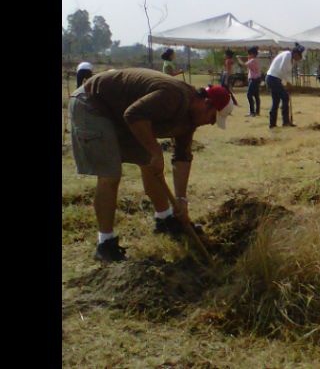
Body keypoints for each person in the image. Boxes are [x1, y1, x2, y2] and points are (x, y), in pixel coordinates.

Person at [68, 68, 234, 262]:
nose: (211, 123)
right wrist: (156, 151)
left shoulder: (190, 120)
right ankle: (105, 244)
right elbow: (133, 115)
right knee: (110, 175)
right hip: (92, 103)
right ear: (206, 104)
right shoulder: (173, 96)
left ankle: (164, 219)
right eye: (213, 118)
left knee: (149, 163)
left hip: (120, 112)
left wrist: (181, 199)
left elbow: (182, 157)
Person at [265, 43, 305, 128]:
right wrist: (287, 82)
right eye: (299, 56)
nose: (299, 59)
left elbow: (287, 73)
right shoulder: (287, 55)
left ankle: (272, 124)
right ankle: (285, 121)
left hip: (275, 79)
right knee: (285, 97)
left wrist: (288, 82)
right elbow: (282, 69)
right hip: (273, 78)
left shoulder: (291, 59)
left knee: (276, 101)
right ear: (296, 54)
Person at [236, 47, 262, 116]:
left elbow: (243, 64)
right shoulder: (256, 59)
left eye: (249, 54)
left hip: (254, 80)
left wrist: (238, 58)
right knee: (256, 95)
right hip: (257, 79)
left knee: (249, 95)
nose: (248, 55)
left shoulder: (252, 60)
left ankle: (252, 111)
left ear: (252, 54)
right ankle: (257, 111)